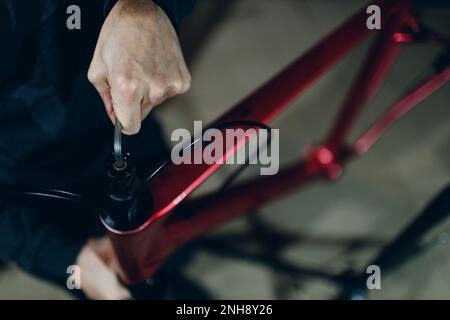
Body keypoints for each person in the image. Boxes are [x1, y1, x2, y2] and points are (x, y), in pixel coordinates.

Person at [0, 0, 195, 299]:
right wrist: (61, 256)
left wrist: (146, 8)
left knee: (174, 248)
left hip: (125, 135)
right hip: (29, 197)